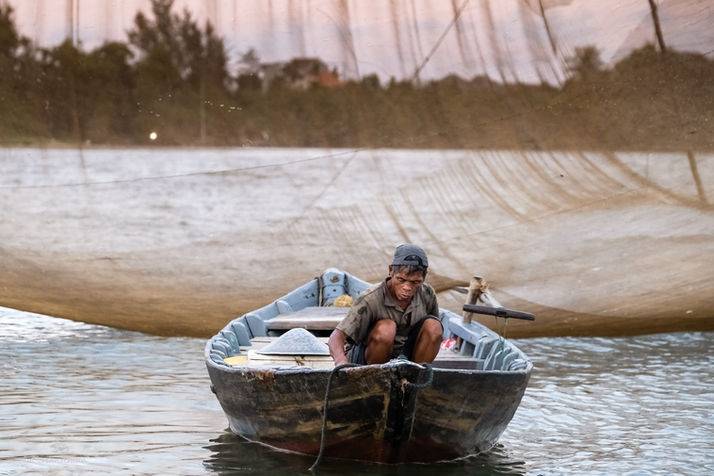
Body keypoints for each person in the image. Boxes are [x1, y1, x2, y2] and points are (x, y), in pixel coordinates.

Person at [328, 244, 443, 366]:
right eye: (401, 280)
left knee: (434, 326)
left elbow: (432, 333)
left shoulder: (427, 294)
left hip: (407, 356)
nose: (407, 287)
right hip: (368, 359)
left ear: (424, 278)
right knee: (386, 329)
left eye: (415, 282)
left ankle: (416, 374)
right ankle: (377, 376)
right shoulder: (370, 298)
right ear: (390, 271)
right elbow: (336, 337)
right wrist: (341, 362)